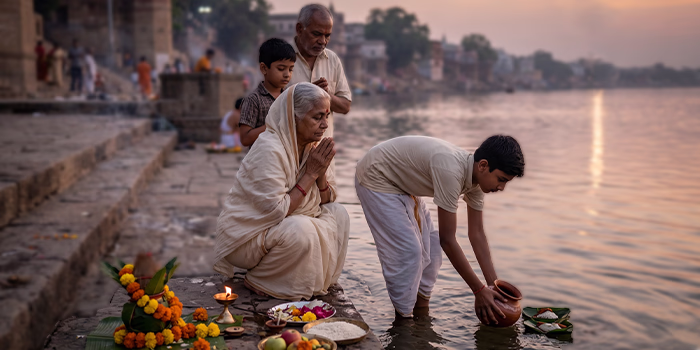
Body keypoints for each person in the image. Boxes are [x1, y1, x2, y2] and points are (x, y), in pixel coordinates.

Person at [354, 135, 526, 323]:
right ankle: (403, 323)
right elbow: (448, 239)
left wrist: (494, 288)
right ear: (483, 165)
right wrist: (478, 290)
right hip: (376, 176)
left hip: (401, 182)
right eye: (501, 179)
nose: (501, 187)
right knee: (410, 253)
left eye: (506, 182)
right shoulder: (451, 171)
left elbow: (476, 234)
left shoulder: (476, 182)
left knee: (434, 252)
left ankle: (421, 316)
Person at [214, 82, 348, 301]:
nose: (325, 125)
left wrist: (320, 172)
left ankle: (315, 281)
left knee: (338, 214)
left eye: (327, 116)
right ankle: (262, 279)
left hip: (279, 228)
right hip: (247, 236)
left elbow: (325, 200)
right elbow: (277, 211)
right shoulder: (269, 147)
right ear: (293, 118)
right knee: (301, 229)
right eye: (317, 118)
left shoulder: (312, 146)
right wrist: (310, 174)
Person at [289, 4, 352, 140]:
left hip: (323, 154)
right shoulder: (282, 58)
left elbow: (345, 106)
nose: (323, 41)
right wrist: (307, 96)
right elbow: (271, 107)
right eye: (316, 34)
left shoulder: (332, 60)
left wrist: (324, 96)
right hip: (290, 154)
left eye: (327, 36)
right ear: (300, 29)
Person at [239, 38, 296, 147]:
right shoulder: (254, 100)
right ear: (264, 68)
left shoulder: (290, 97)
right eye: (281, 69)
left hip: (287, 160)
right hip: (262, 160)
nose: (287, 74)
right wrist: (274, 124)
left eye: (290, 69)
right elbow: (245, 139)